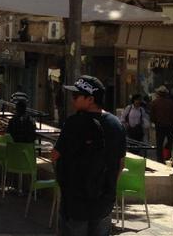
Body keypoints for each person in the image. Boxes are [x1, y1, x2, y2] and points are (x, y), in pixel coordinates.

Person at [52, 76, 126, 236]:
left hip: (75, 202)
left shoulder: (73, 123)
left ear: (91, 99)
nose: (72, 99)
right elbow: (121, 164)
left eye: (76, 96)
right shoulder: (116, 125)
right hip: (103, 203)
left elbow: (55, 156)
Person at [149, 85, 173, 162]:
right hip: (169, 126)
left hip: (159, 126)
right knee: (171, 143)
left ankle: (160, 160)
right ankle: (171, 158)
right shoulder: (170, 103)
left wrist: (156, 122)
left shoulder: (154, 103)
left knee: (159, 144)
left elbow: (152, 116)